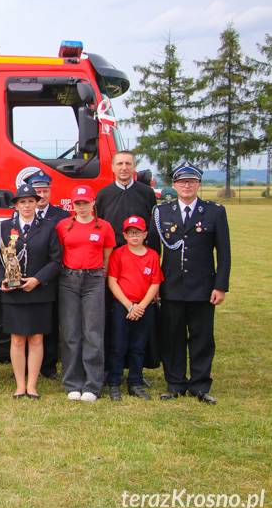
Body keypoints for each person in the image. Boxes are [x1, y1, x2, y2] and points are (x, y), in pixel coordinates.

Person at [154, 162, 230, 404]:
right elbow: (154, 253)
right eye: (182, 182)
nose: (187, 186)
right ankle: (175, 383)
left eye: (191, 181)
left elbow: (224, 253)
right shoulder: (162, 212)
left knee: (202, 337)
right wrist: (153, 286)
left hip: (202, 287)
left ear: (198, 184)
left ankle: (199, 385)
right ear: (174, 185)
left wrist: (220, 286)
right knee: (172, 337)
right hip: (171, 287)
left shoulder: (215, 212)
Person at [94, 150, 159, 384]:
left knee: (139, 320)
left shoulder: (146, 193)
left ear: (134, 168)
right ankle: (112, 371)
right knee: (113, 319)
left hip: (141, 264)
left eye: (128, 164)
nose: (123, 168)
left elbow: (154, 229)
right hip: (113, 265)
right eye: (119, 163)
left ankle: (136, 371)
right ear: (112, 167)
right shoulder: (103, 195)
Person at [0, 184, 61, 400]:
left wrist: (38, 279)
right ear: (15, 205)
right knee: (17, 340)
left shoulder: (49, 227)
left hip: (39, 292)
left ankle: (32, 385)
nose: (27, 205)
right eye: (22, 202)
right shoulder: (4, 227)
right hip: (13, 293)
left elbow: (56, 260)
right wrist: (1, 280)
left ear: (37, 203)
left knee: (36, 339)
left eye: (31, 201)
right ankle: (19, 385)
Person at [56, 185, 116, 402]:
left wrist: (98, 275)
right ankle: (73, 382)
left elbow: (107, 256)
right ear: (73, 205)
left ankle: (92, 384)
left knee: (92, 331)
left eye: (85, 203)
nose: (81, 207)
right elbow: (60, 252)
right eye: (78, 203)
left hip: (94, 280)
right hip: (69, 279)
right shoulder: (64, 226)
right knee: (71, 332)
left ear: (93, 204)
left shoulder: (105, 227)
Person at [106, 216, 162, 401]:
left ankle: (135, 382)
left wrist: (141, 306)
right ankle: (114, 382)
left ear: (145, 234)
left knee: (138, 346)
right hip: (123, 306)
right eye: (131, 233)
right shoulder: (118, 253)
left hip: (144, 307)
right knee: (118, 346)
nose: (135, 236)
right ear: (124, 235)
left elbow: (155, 283)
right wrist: (129, 306)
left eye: (138, 232)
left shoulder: (152, 255)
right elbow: (112, 281)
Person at [26, 170, 70, 380]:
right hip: (27, 276)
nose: (41, 195)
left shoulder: (61, 216)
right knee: (28, 324)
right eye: (37, 191)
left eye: (45, 191)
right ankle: (27, 363)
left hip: (53, 276)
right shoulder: (21, 215)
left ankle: (49, 365)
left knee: (50, 323)